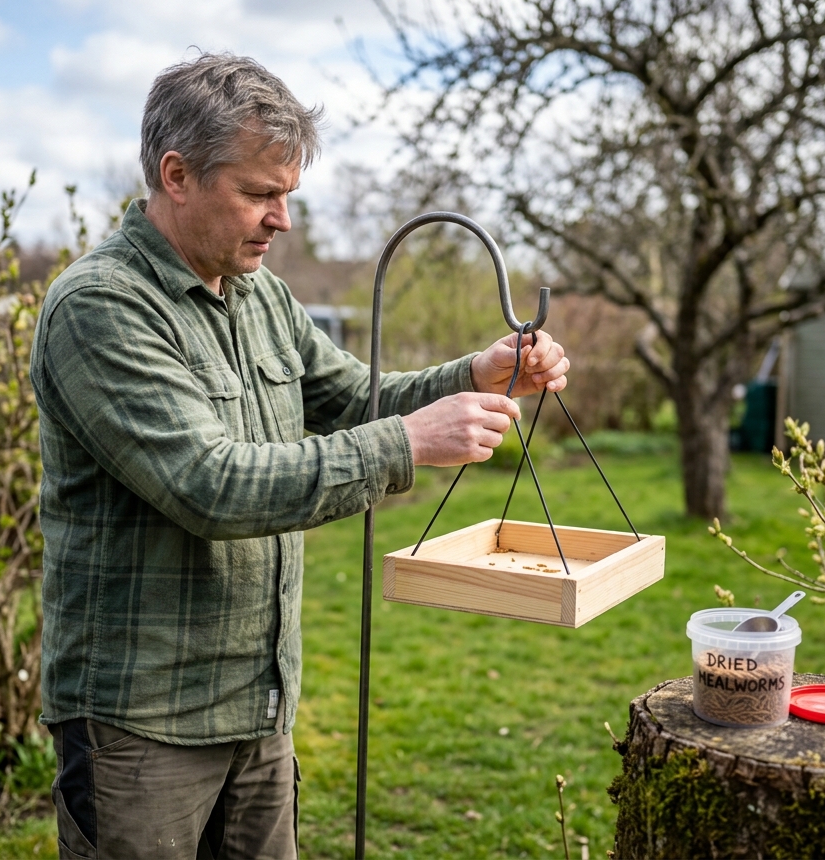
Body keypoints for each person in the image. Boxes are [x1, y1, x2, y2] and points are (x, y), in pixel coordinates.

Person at [29, 53, 569, 860]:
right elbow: (207, 485)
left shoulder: (260, 295)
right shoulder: (102, 308)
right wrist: (409, 444)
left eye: (288, 195)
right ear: (177, 175)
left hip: (260, 700)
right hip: (143, 721)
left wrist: (477, 372)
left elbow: (359, 395)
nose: (282, 219)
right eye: (258, 194)